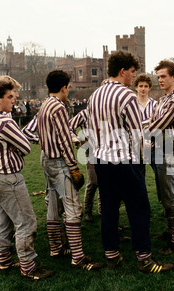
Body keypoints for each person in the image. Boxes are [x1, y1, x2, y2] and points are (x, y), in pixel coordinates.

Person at [87, 51, 173, 273]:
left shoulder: (95, 95)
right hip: (124, 161)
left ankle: (112, 255)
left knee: (108, 209)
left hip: (101, 160)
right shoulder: (127, 96)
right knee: (139, 208)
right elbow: (137, 134)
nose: (133, 78)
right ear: (122, 71)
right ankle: (144, 259)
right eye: (132, 72)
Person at [0, 79, 53, 280]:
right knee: (26, 221)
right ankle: (28, 266)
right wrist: (14, 147)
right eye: (9, 97)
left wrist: (10, 146)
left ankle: (4, 260)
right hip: (8, 177)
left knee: (2, 220)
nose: (13, 101)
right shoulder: (4, 120)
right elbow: (25, 146)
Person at [36, 69, 103, 271]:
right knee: (73, 209)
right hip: (59, 162)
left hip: (46, 159)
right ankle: (78, 258)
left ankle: (56, 248)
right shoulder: (58, 107)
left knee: (53, 207)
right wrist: (74, 168)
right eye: (69, 87)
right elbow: (64, 142)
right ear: (64, 87)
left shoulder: (44, 104)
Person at [147, 60, 174, 255]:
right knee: (164, 195)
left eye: (163, 76)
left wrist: (134, 133)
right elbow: (151, 120)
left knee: (171, 197)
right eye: (159, 76)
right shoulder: (163, 100)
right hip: (159, 150)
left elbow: (157, 126)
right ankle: (171, 231)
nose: (160, 80)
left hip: (170, 152)